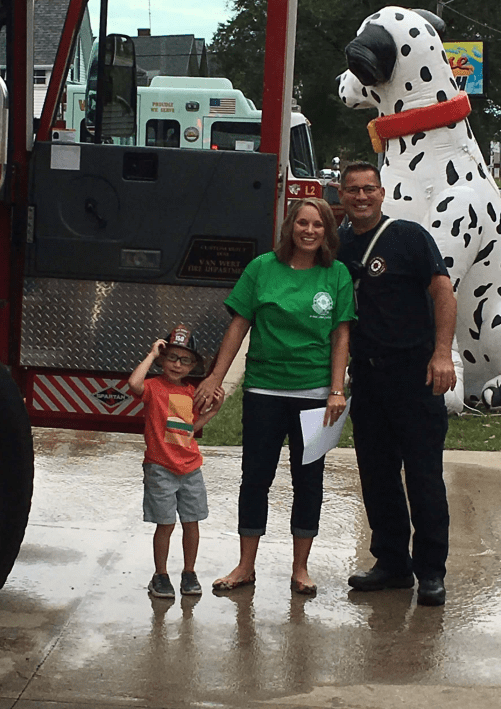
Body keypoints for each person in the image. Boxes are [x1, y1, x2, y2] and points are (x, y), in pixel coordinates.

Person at [194, 197, 355, 596]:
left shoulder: (336, 275)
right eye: (303, 223)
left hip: (317, 395)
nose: (310, 231)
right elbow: (238, 325)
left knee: (309, 481)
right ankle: (245, 565)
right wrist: (215, 377)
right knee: (256, 479)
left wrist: (337, 389)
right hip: (264, 389)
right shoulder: (261, 268)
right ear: (291, 227)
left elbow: (341, 335)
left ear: (327, 231)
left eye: (318, 224)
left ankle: (300, 568)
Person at [336, 161, 457, 606]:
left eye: (369, 189)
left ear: (382, 193)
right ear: (342, 194)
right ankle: (391, 564)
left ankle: (430, 572)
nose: (361, 197)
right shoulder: (340, 244)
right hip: (367, 376)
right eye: (353, 190)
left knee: (424, 477)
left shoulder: (409, 237)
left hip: (415, 374)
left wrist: (442, 354)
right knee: (377, 476)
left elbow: (443, 293)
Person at [128, 324, 225, 600]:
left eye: (185, 360)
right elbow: (133, 384)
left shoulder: (191, 394)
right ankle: (160, 575)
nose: (177, 364)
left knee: (191, 522)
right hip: (160, 468)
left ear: (193, 365)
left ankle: (189, 572)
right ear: (162, 358)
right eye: (171, 357)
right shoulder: (153, 387)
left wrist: (214, 410)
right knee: (166, 524)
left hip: (190, 468)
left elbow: (190, 429)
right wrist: (150, 354)